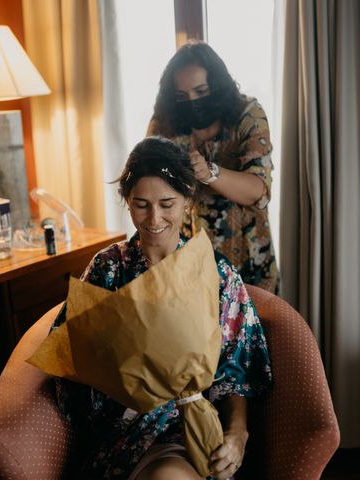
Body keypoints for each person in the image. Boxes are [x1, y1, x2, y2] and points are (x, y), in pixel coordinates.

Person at [52, 136, 272, 480]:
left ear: (188, 201)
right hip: (124, 432)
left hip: (194, 431)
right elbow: (70, 355)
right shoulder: (108, 269)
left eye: (167, 203)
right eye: (141, 204)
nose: (154, 218)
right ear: (127, 201)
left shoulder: (215, 273)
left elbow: (237, 370)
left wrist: (238, 433)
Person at [147, 41, 279, 293]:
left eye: (201, 91)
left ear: (216, 87)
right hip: (185, 258)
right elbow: (148, 177)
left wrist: (210, 173)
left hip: (249, 257)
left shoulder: (248, 115)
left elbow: (258, 190)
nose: (192, 101)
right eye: (182, 96)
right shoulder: (166, 121)